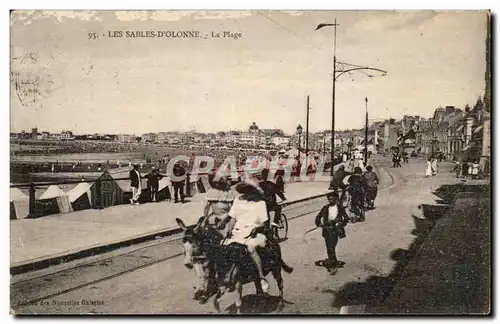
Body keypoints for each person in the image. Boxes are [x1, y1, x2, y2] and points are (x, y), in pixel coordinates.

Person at [222, 182, 270, 293]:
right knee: (224, 247)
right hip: (238, 231)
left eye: (244, 193)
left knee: (251, 248)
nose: (241, 195)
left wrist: (256, 229)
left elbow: (264, 222)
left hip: (255, 232)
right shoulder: (238, 201)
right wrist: (228, 229)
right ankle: (228, 276)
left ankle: (261, 276)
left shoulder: (260, 203)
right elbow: (233, 218)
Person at [314, 192, 349, 271]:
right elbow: (318, 217)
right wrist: (319, 224)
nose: (331, 200)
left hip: (336, 229)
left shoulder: (340, 208)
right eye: (329, 199)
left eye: (332, 199)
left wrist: (341, 224)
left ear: (336, 199)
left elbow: (346, 218)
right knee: (329, 246)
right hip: (327, 229)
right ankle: (333, 264)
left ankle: (333, 262)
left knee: (332, 246)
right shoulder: (325, 208)